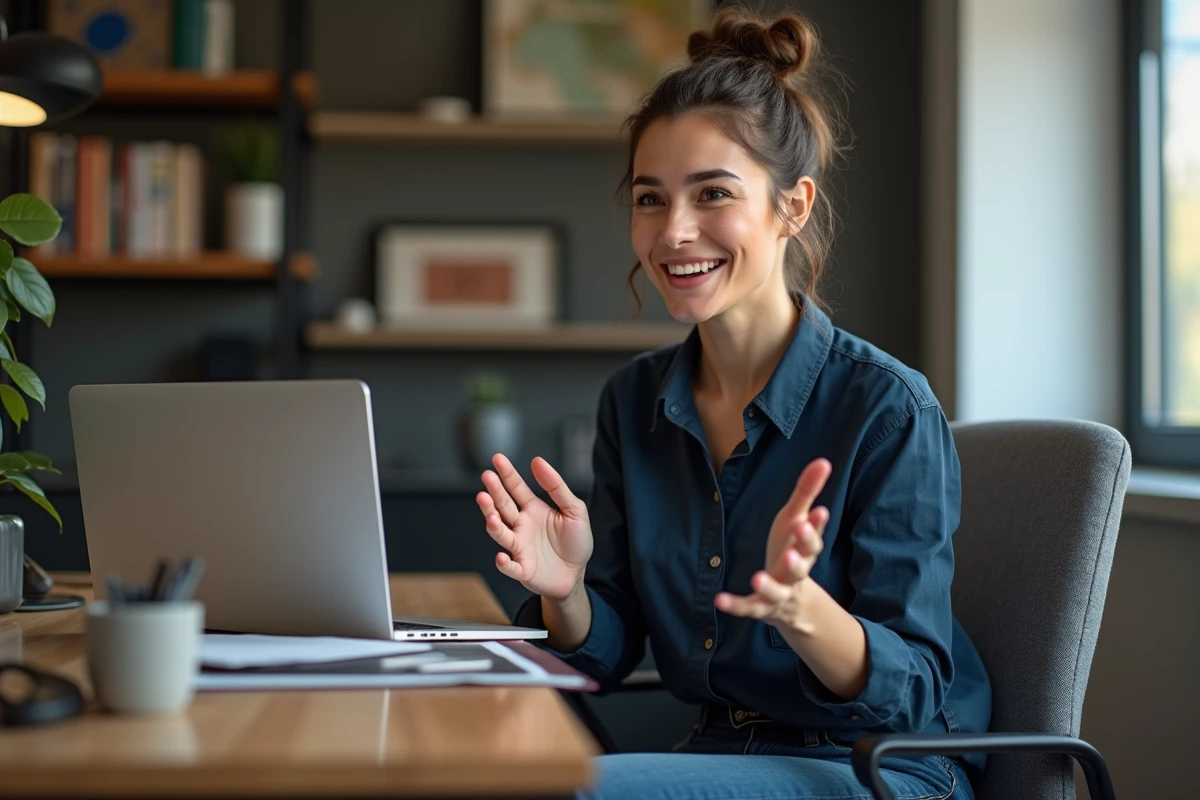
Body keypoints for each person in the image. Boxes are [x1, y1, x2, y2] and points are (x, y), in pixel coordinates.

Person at [475, 6, 992, 799]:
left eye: (712, 193)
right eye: (650, 199)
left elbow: (917, 689)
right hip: (720, 752)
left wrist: (801, 610)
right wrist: (567, 591)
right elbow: (601, 655)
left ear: (794, 206)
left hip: (881, 767)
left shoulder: (888, 409)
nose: (674, 231)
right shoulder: (634, 401)